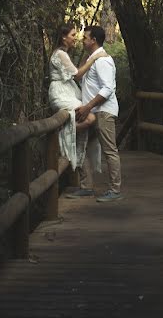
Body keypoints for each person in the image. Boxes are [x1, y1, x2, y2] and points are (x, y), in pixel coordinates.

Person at [46, 24, 107, 173]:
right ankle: (60, 135)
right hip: (60, 92)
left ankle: (65, 134)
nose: (76, 38)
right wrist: (93, 59)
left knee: (87, 117)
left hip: (68, 91)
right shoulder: (60, 54)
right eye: (73, 35)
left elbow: (75, 72)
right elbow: (77, 75)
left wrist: (87, 58)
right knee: (90, 117)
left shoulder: (63, 54)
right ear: (63, 37)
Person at [72, 25, 123, 202]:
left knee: (110, 150)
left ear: (93, 40)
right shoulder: (92, 58)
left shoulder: (103, 61)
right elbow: (77, 76)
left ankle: (115, 190)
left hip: (103, 111)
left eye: (85, 37)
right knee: (82, 146)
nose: (82, 40)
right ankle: (86, 187)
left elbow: (108, 88)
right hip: (91, 112)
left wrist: (87, 107)